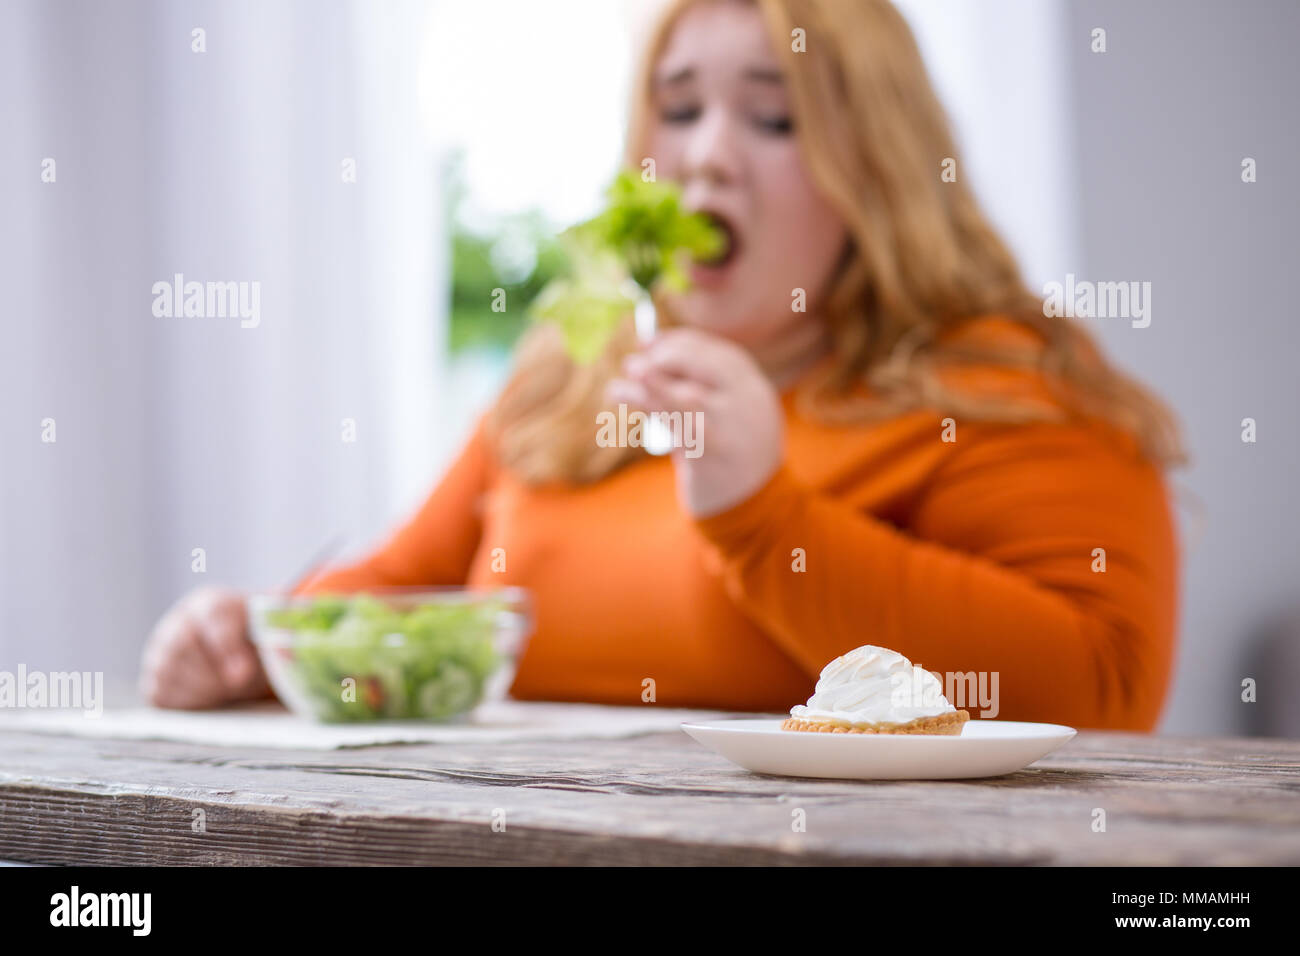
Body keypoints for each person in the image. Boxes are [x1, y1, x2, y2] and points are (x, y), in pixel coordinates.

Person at [139, 0, 1184, 731]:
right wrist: (261, 645)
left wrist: (763, 517)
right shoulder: (574, 373)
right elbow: (402, 598)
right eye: (678, 110)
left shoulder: (997, 380)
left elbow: (1100, 690)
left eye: (774, 117)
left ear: (882, 168)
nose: (706, 155)